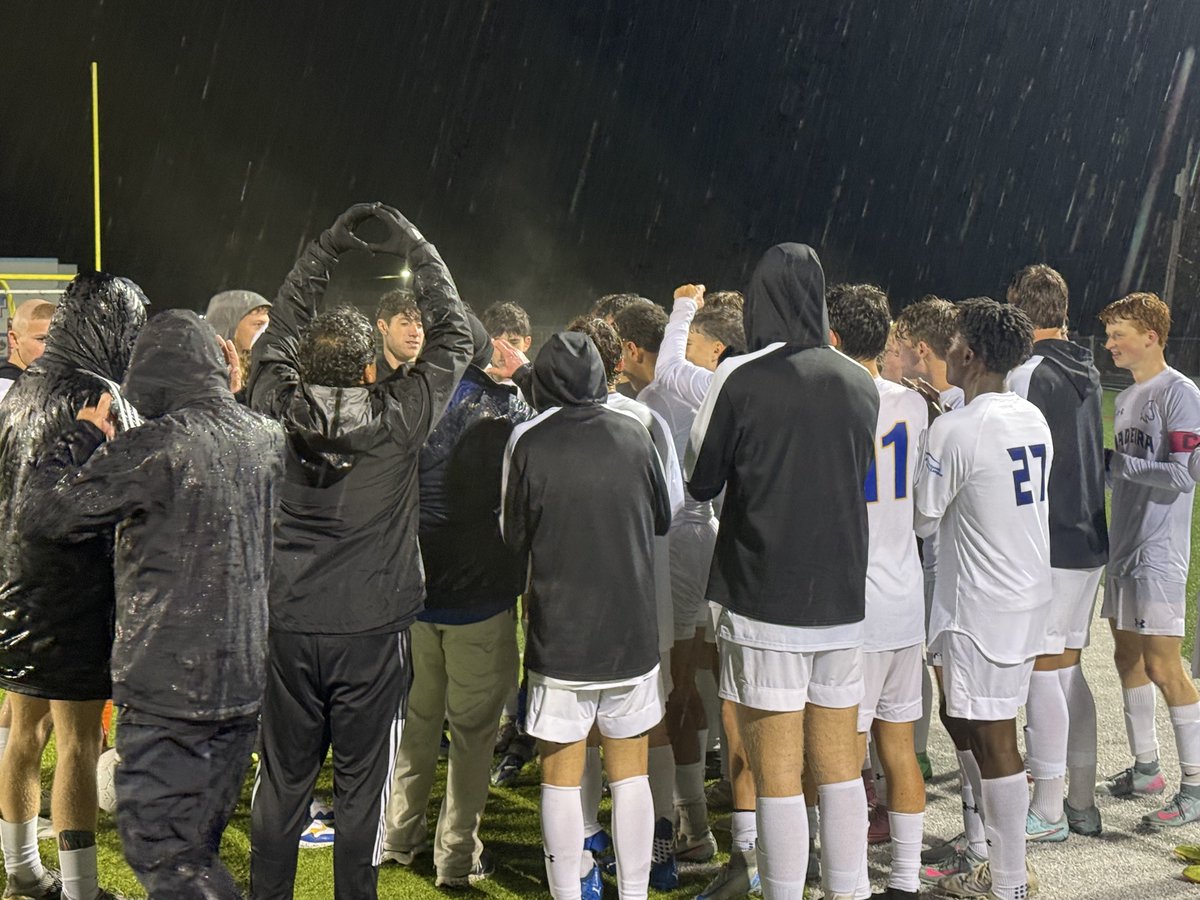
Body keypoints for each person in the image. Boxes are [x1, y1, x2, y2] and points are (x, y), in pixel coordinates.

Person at [248, 202, 472, 900]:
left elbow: (276, 333)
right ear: (369, 363)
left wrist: (321, 252)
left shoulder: (273, 404)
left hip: (289, 625)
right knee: (360, 787)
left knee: (282, 782)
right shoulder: (399, 418)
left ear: (299, 365)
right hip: (371, 631)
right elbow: (456, 336)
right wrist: (419, 243)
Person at [20, 310, 284, 899]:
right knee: (196, 844)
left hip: (168, 685)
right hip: (240, 684)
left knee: (160, 848)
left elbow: (44, 515)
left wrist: (84, 436)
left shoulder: (154, 447)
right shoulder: (264, 437)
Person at [687, 243, 879, 900]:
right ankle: (851, 891)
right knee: (838, 770)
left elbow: (699, 479)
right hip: (842, 596)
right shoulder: (860, 380)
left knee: (776, 773)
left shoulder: (738, 375)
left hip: (765, 593)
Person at [501, 331, 672, 900]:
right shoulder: (637, 430)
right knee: (631, 773)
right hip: (629, 628)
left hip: (562, 631)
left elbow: (512, 535)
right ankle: (636, 893)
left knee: (561, 775)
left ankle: (568, 894)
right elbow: (661, 517)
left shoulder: (528, 439)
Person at [0, 272, 147, 900]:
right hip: (76, 592)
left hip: (14, 586)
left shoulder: (16, 391)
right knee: (80, 744)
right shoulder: (101, 395)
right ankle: (81, 891)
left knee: (21, 733)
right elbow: (133, 487)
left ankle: (22, 870)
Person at [382, 313, 531, 886]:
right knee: (471, 734)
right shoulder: (502, 405)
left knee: (419, 721)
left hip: (416, 587)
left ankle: (399, 834)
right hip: (478, 592)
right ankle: (456, 853)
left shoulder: (404, 398)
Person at [914, 298, 1050, 900]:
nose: (944, 351)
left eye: (953, 343)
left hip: (979, 605)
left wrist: (928, 440)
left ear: (969, 354)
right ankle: (992, 861)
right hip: (1022, 594)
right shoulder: (1029, 416)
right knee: (972, 722)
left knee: (995, 739)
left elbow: (923, 518)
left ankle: (1009, 884)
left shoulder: (956, 427)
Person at [827, 283, 928, 900]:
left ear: (833, 337)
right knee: (900, 749)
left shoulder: (833, 398)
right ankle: (907, 880)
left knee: (841, 757)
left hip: (854, 604)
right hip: (904, 596)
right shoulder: (914, 406)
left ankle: (850, 884)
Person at [612, 299, 719, 870]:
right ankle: (694, 820)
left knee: (672, 689)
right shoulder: (671, 394)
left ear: (630, 348)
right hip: (699, 541)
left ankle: (688, 830)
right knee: (693, 680)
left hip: (675, 546)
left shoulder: (656, 399)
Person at [1005, 264, 1109, 841]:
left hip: (1050, 539)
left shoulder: (1028, 374)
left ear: (1020, 307)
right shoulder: (1085, 366)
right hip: (1089, 535)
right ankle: (1080, 800)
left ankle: (1046, 809)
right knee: (1067, 668)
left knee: (1044, 668)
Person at [1097, 291, 1200, 828]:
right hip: (1124, 545)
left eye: (1119, 334)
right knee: (1126, 660)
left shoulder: (1181, 393)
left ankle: (1196, 785)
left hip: (1158, 552)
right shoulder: (1131, 395)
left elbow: (1184, 474)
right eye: (1110, 334)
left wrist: (1117, 462)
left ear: (1151, 337)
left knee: (1164, 666)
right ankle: (1145, 767)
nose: (1110, 343)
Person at [204, 289, 272, 388]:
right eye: (258, 324)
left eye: (269, 325)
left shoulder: (270, 372)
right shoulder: (204, 379)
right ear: (230, 326)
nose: (266, 331)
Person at [0, 299, 54, 401]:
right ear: (14, 340)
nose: (52, 348)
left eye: (58, 340)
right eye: (41, 339)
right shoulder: (6, 389)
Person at [375, 289, 425, 379]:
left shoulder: (434, 380)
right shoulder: (367, 381)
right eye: (405, 324)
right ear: (383, 326)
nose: (415, 333)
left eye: (419, 325)